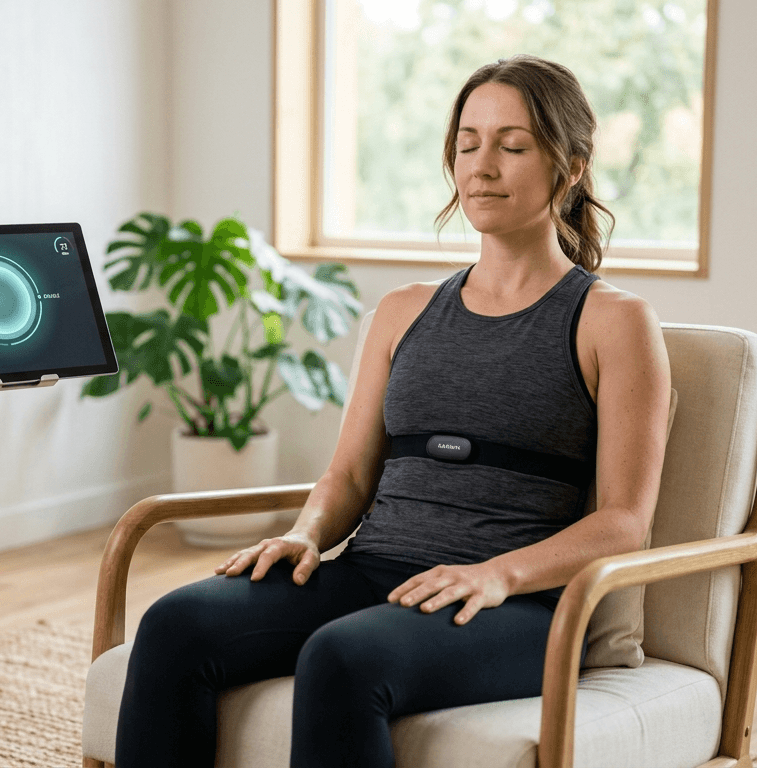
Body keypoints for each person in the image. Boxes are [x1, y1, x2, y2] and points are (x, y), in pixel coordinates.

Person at [114, 54, 672, 768]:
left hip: (512, 607)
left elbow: (624, 521)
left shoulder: (612, 321)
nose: (482, 167)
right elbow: (349, 475)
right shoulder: (403, 312)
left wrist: (497, 574)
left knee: (344, 657)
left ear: (571, 167)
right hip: (372, 568)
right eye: (467, 144)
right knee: (175, 623)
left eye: (512, 145)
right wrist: (306, 533)